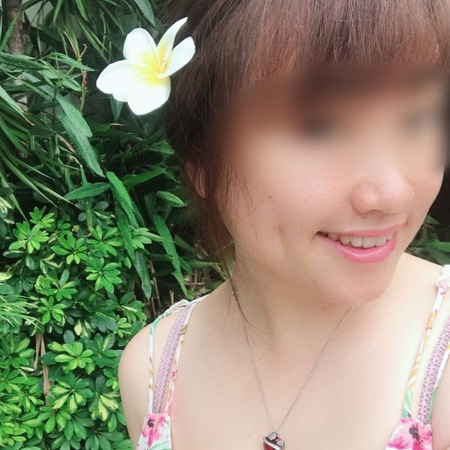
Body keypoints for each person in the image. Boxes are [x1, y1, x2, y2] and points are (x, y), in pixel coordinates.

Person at [118, 1, 450, 449]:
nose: (393, 193)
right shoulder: (153, 372)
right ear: (203, 161)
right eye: (320, 127)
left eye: (418, 117)